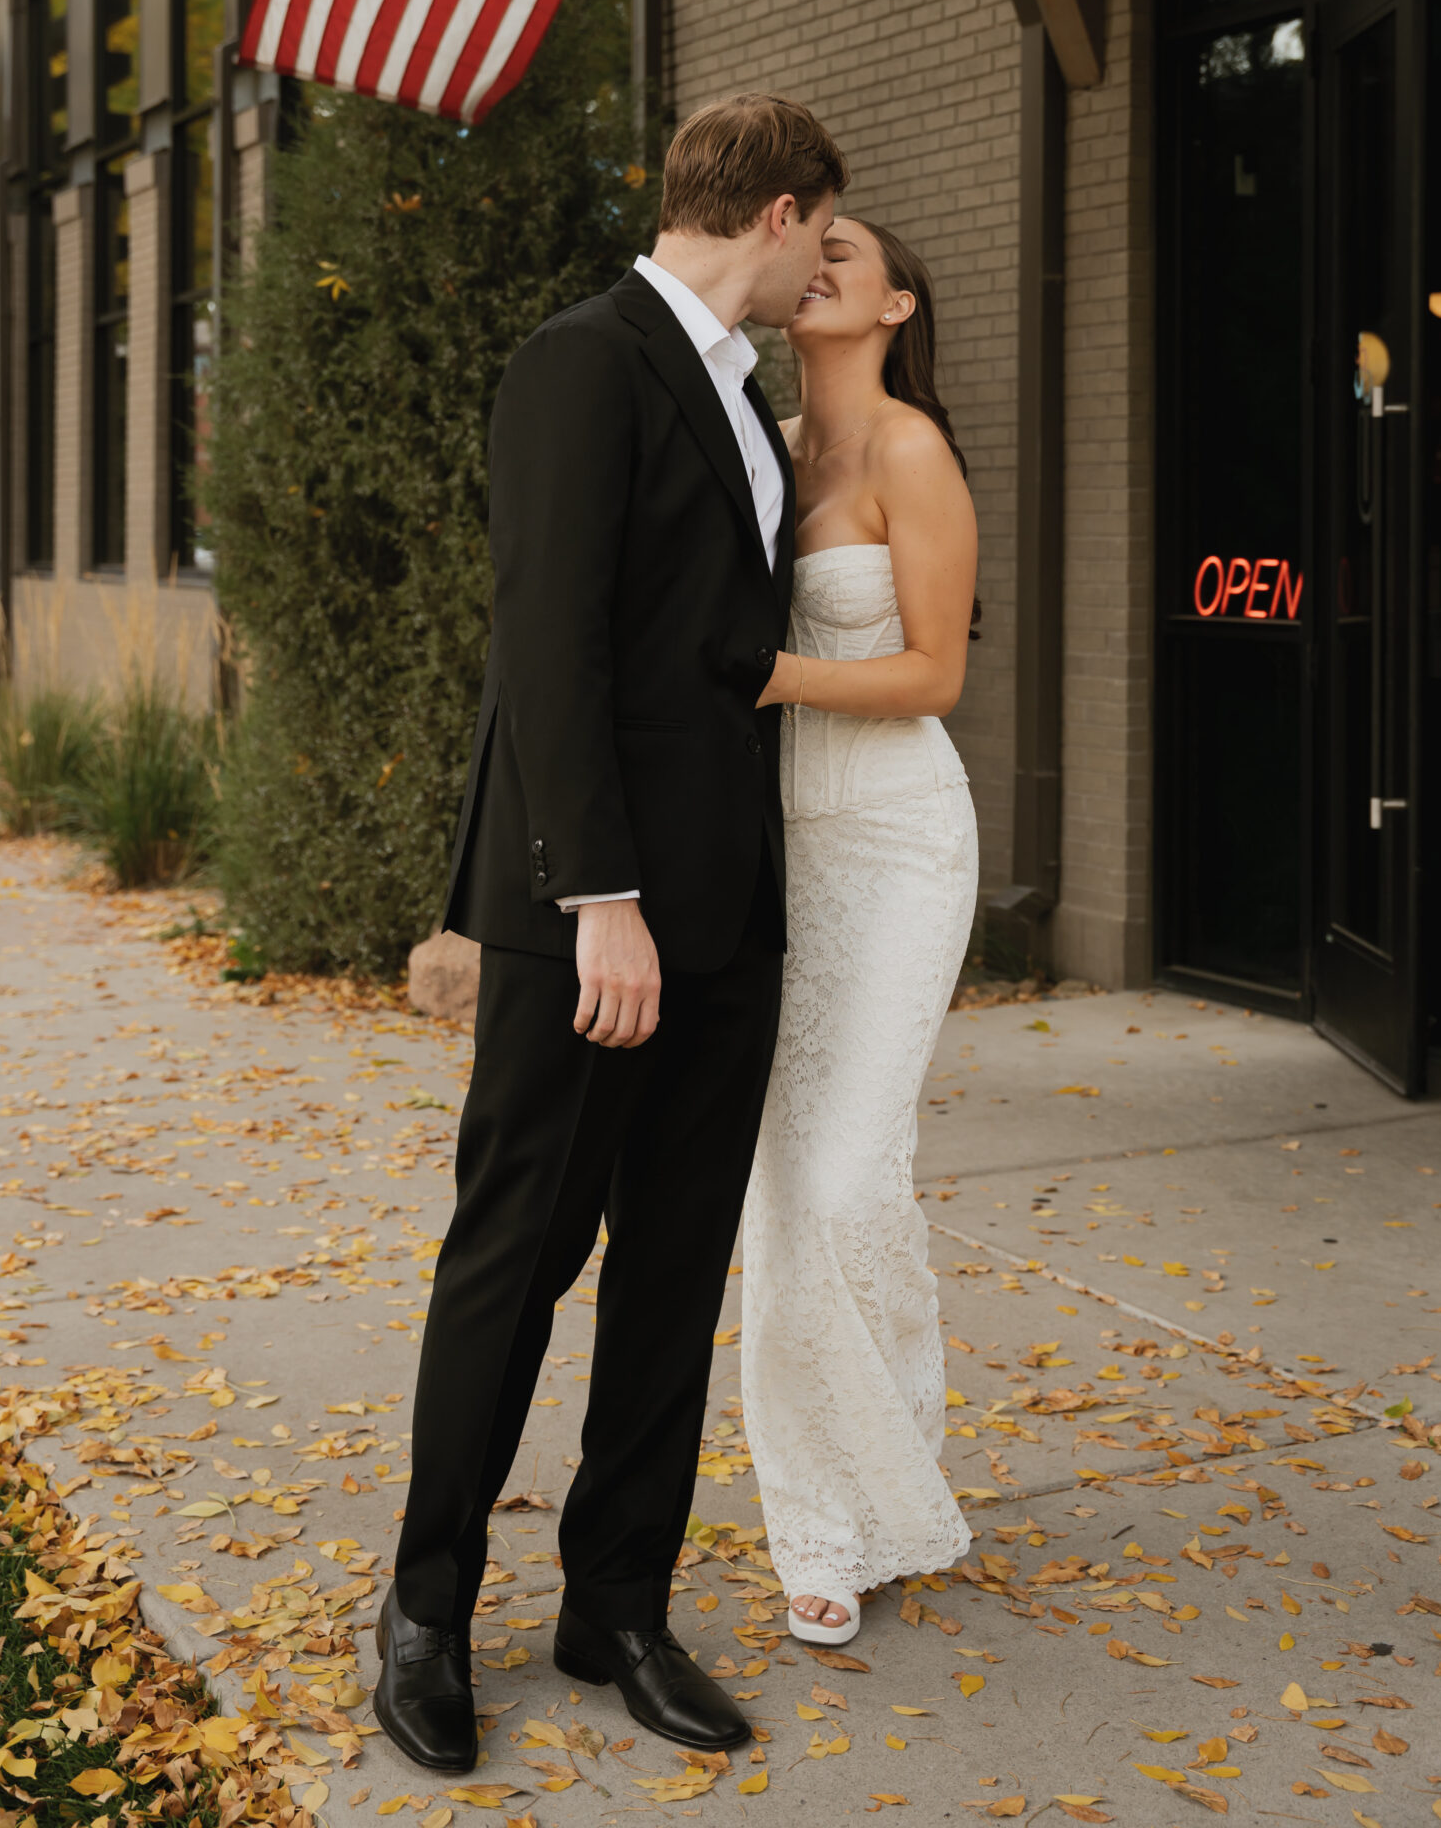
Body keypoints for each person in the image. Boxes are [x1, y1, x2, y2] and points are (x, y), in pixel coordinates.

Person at [374, 92, 850, 1774]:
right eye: (822, 240)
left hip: (731, 910)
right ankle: (427, 1611)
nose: (821, 274)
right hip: (597, 914)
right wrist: (600, 902)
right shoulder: (583, 359)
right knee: (515, 1259)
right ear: (780, 213)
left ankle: (618, 1607)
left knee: (671, 1270)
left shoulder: (743, 396)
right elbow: (551, 643)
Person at [742, 216, 981, 1647]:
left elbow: (935, 670)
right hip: (773, 854)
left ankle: (897, 1453)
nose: (820, 259)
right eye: (806, 242)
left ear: (897, 298)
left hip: (895, 845)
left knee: (852, 1185)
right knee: (783, 1201)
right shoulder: (761, 444)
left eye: (851, 250)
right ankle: (821, 1522)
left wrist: (762, 675)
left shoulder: (911, 451)